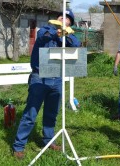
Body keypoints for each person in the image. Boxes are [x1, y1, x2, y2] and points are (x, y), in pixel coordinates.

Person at [12, 9, 81, 159]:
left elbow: (77, 44)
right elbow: (42, 37)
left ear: (70, 23)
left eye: (68, 18)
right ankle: (19, 146)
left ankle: (48, 141)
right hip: (40, 76)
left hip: (57, 78)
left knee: (51, 113)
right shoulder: (46, 29)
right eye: (62, 16)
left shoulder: (70, 36)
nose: (64, 18)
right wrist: (56, 33)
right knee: (31, 113)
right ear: (57, 18)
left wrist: (66, 34)